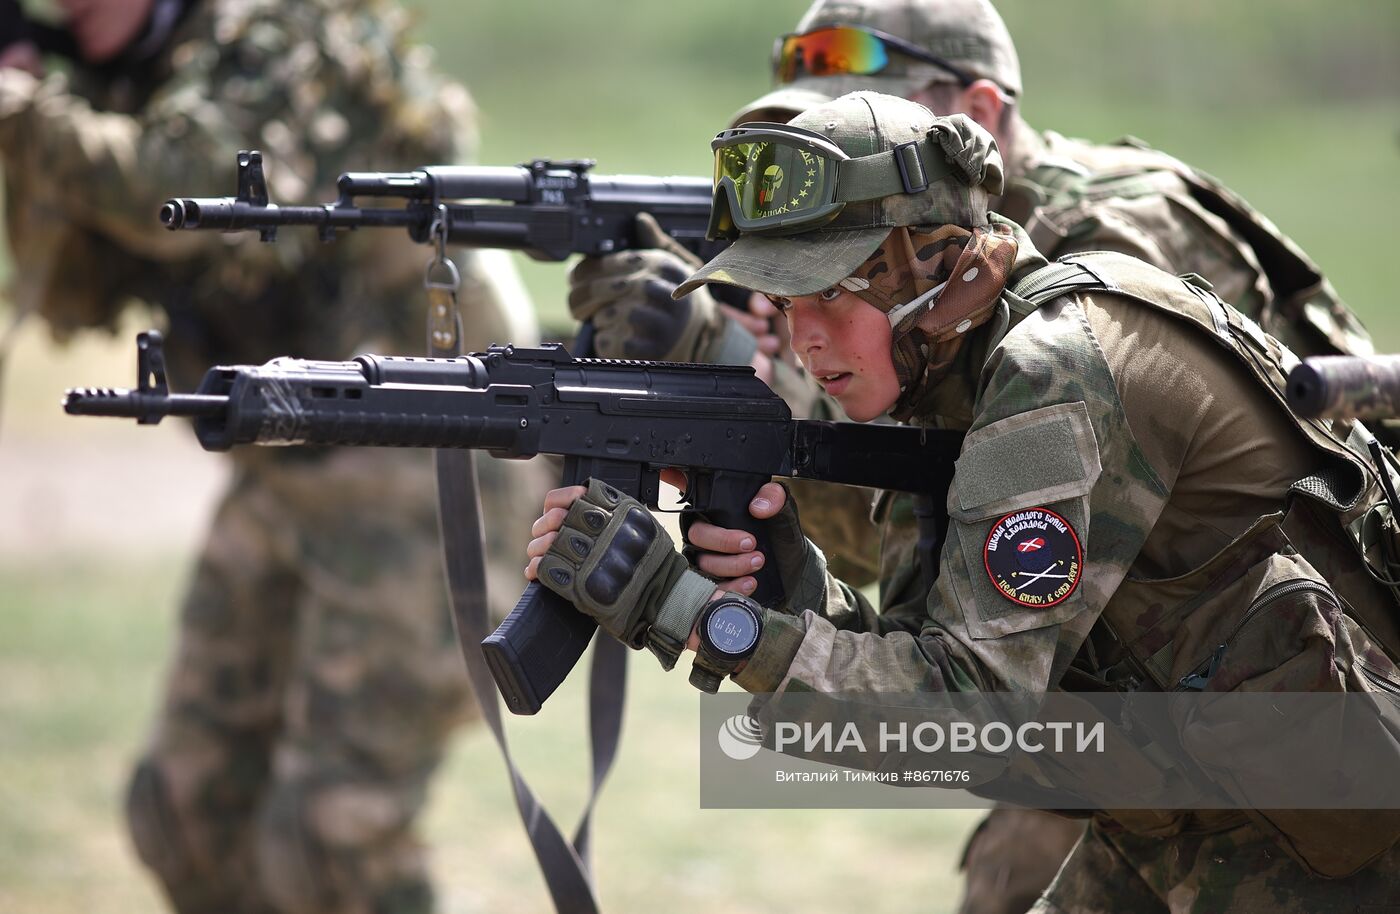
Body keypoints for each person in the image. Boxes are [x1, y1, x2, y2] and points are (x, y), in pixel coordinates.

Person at [566, 2, 1382, 907]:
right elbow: (938, 658)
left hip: (1335, 833)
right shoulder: (947, 369)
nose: (806, 341)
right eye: (784, 304)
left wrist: (685, 611)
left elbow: (964, 718)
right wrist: (792, 585)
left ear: (934, 267)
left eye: (832, 293)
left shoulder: (1055, 370)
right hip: (1209, 800)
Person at [0, 1, 549, 911]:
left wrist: (21, 110)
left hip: (428, 478)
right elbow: (71, 288)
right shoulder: (107, 81)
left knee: (334, 840)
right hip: (286, 475)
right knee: (184, 815)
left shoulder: (276, 35)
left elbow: (185, 188)